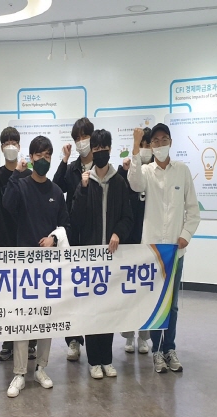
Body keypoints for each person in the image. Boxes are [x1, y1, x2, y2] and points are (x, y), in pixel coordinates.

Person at [128, 123, 200, 374]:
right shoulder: (146, 171)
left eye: (164, 140)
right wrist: (135, 147)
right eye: (155, 141)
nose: (160, 144)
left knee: (173, 304)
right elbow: (134, 183)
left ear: (171, 142)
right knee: (154, 301)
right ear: (151, 145)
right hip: (153, 253)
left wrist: (185, 235)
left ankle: (170, 348)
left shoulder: (182, 171)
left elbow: (193, 210)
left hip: (175, 252)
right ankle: (157, 351)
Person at [3, 135, 70, 398]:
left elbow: (66, 224)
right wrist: (15, 174)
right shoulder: (21, 185)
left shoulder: (56, 192)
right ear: (31, 158)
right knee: (22, 318)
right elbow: (7, 205)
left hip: (49, 267)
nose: (44, 160)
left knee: (46, 318)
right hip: (24, 265)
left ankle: (41, 368)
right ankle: (19, 373)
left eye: (47, 155)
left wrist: (54, 237)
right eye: (39, 155)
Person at [71, 129, 133, 379]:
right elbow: (76, 219)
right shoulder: (85, 182)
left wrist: (118, 233)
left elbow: (128, 217)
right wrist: (83, 189)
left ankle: (107, 359)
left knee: (108, 309)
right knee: (91, 309)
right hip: (90, 259)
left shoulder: (120, 182)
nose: (99, 153)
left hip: (112, 258)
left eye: (103, 148)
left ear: (109, 149)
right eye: (95, 149)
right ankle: (93, 360)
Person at [0, 127, 38, 363]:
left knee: (28, 295)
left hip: (27, 243)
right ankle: (8, 342)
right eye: (6, 143)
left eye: (14, 142)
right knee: (7, 298)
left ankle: (30, 342)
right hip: (3, 244)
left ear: (20, 146)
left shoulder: (29, 175)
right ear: (2, 147)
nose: (11, 146)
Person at [53, 117, 95, 362]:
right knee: (72, 290)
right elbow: (56, 186)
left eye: (84, 136)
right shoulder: (72, 168)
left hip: (95, 235)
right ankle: (73, 340)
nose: (81, 142)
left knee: (92, 291)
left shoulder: (102, 165)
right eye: (77, 138)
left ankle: (94, 341)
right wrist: (64, 160)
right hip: (73, 235)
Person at [119, 126, 152, 355]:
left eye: (149, 145)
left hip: (149, 241)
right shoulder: (127, 170)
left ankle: (144, 337)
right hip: (130, 241)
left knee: (147, 292)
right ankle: (129, 336)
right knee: (129, 292)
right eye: (143, 145)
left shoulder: (157, 172)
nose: (146, 149)